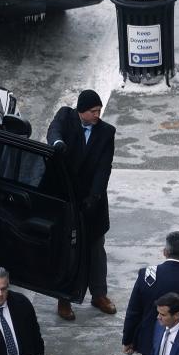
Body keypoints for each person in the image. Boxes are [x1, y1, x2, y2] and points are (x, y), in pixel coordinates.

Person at [46, 89, 116, 321]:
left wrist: (94, 198)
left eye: (99, 111)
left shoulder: (106, 132)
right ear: (81, 111)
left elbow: (103, 168)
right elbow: (54, 130)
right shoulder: (66, 117)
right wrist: (57, 143)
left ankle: (99, 294)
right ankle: (64, 299)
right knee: (67, 251)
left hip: (91, 201)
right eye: (93, 111)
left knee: (96, 248)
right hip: (67, 199)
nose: (97, 115)